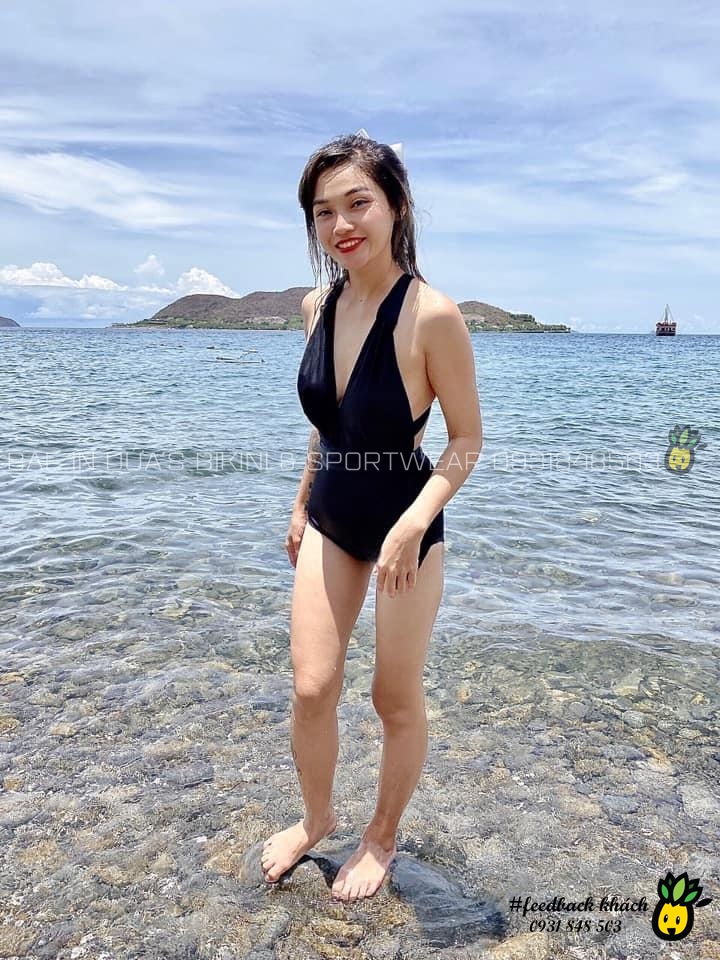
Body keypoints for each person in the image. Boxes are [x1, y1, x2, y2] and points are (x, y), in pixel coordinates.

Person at [261, 132, 483, 902]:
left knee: (393, 697)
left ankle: (381, 836)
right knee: (311, 687)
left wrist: (415, 523)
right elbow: (328, 426)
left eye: (358, 202)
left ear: (396, 205)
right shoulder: (316, 305)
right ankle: (316, 818)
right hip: (331, 516)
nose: (341, 224)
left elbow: (466, 440)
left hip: (404, 526)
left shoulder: (432, 316)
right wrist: (300, 502)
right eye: (323, 212)